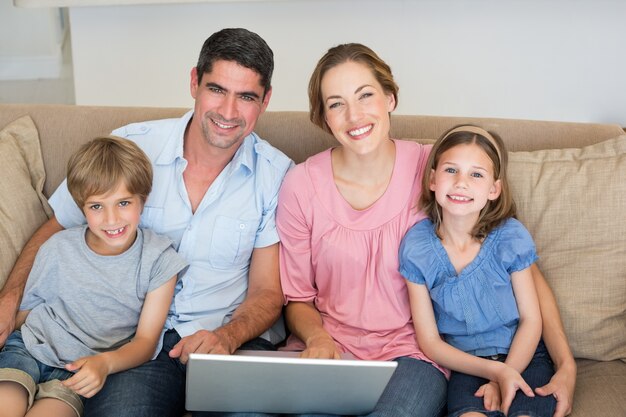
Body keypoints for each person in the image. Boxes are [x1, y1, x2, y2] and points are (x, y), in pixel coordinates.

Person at [0, 28, 292, 417]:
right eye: (217, 90)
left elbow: (267, 291)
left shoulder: (275, 176)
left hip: (226, 339)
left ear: (266, 100)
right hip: (136, 343)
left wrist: (227, 336)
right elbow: (57, 226)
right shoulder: (131, 148)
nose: (228, 111)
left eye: (247, 97)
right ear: (194, 82)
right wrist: (9, 299)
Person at [276, 43, 576, 417]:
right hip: (332, 348)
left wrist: (567, 365)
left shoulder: (437, 168)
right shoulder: (300, 185)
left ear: (390, 98)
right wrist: (318, 338)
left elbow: (523, 272)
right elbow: (297, 298)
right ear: (323, 117)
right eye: (336, 103)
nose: (354, 115)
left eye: (365, 95)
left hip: (414, 353)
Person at [0, 136, 187, 417]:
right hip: (28, 348)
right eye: (97, 206)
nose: (111, 220)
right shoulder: (58, 247)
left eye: (123, 203)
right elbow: (25, 313)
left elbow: (146, 343)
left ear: (143, 200)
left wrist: (105, 364)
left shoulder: (159, 259)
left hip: (79, 371)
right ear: (81, 207)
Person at [399, 125, 558, 417]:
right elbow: (430, 341)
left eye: (476, 174)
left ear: (494, 189)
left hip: (524, 357)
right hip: (465, 365)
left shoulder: (511, 238)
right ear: (433, 179)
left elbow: (531, 319)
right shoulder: (417, 247)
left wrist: (507, 372)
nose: (461, 183)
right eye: (451, 170)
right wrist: (494, 372)